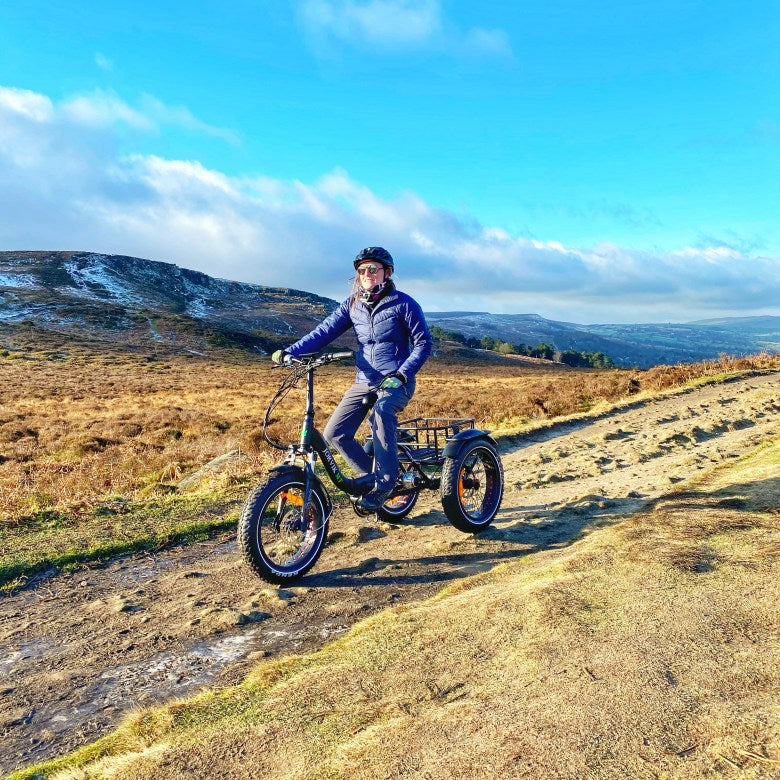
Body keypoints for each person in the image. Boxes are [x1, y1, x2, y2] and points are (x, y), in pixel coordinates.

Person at [272, 247, 432, 512]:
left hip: (396, 380)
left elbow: (423, 344)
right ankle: (372, 477)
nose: (366, 274)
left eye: (373, 269)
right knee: (334, 434)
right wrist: (291, 351)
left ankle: (386, 483)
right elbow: (323, 332)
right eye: (361, 270)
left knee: (381, 412)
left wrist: (402, 374)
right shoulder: (353, 304)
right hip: (364, 380)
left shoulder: (404, 304)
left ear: (386, 272)